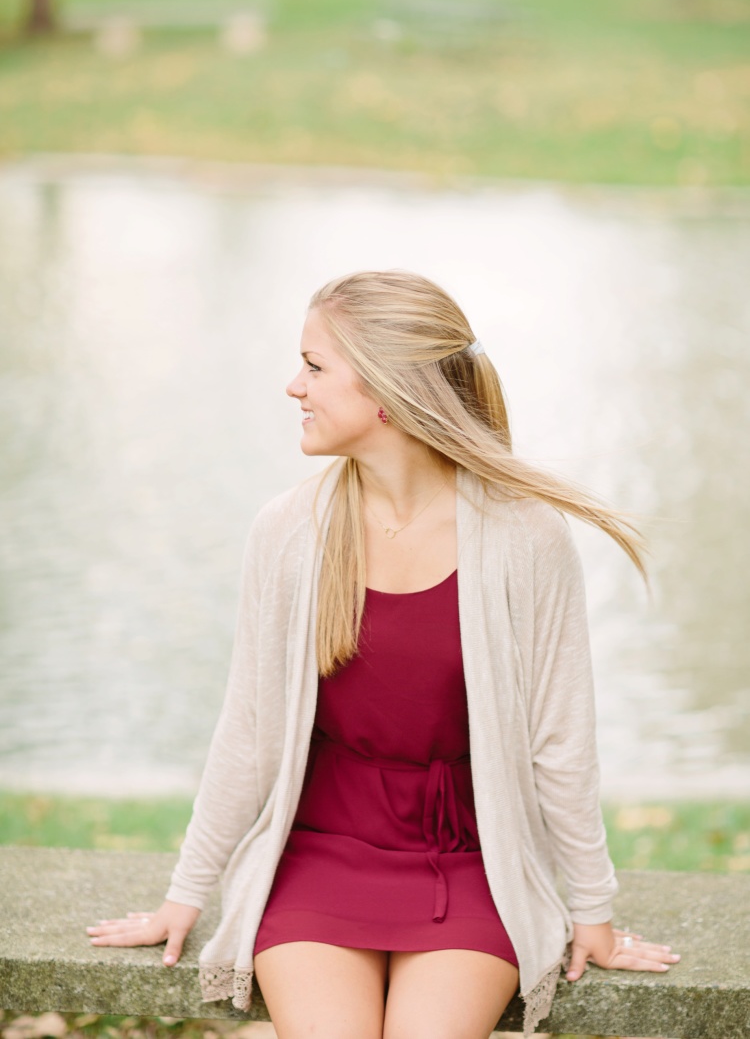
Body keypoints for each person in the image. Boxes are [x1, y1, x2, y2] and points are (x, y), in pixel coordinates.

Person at [87, 271, 680, 1038]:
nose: (293, 386)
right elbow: (251, 730)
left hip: (473, 864)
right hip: (319, 854)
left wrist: (592, 908)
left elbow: (558, 742)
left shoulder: (526, 538)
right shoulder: (289, 531)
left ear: (387, 391)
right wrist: (186, 893)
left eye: (315, 365)